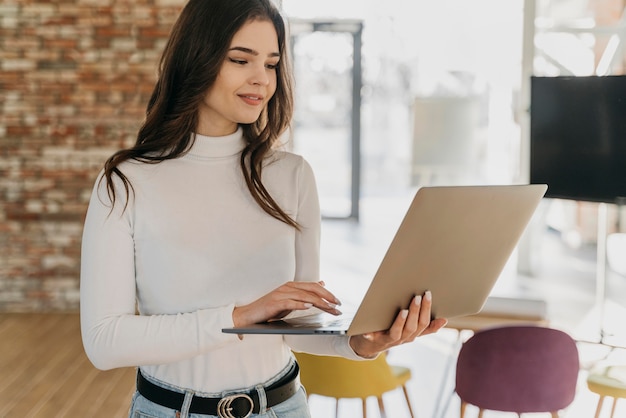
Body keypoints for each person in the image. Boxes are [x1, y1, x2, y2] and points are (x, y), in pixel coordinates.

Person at [79, 0, 448, 417]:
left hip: (282, 406)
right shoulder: (126, 182)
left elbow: (299, 326)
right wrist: (242, 315)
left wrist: (360, 344)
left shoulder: (292, 175)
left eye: (272, 64)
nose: (262, 80)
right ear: (197, 59)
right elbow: (104, 341)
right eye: (241, 59)